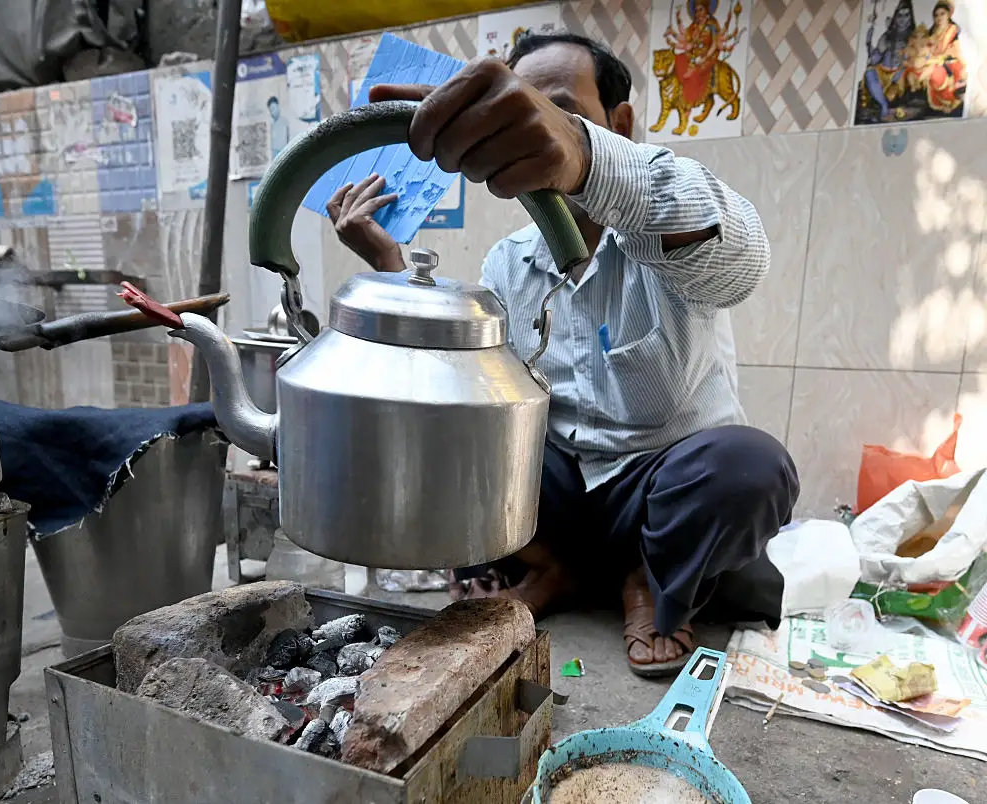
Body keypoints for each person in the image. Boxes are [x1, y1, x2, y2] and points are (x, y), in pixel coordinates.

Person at [326, 33, 799, 677]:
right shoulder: (509, 260)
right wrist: (387, 267)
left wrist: (581, 156)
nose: (527, 127)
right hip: (560, 496)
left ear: (620, 124)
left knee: (751, 466)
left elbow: (743, 258)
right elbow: (471, 388)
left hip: (660, 489)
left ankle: (649, 580)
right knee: (454, 434)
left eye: (554, 110)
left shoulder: (668, 229)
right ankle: (556, 570)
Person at [861, 0, 916, 122]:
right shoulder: (887, 36)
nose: (903, 19)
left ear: (911, 17)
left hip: (901, 72)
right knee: (869, 72)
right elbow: (875, 58)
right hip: (884, 72)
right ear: (895, 18)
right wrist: (869, 44)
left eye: (907, 15)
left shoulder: (914, 36)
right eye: (900, 16)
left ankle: (890, 102)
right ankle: (883, 105)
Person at [268, 96, 290, 160]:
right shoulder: (271, 124)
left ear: (278, 107)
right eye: (271, 110)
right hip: (274, 155)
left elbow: (286, 140)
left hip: (283, 153)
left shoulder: (284, 121)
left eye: (273, 108)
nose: (272, 112)